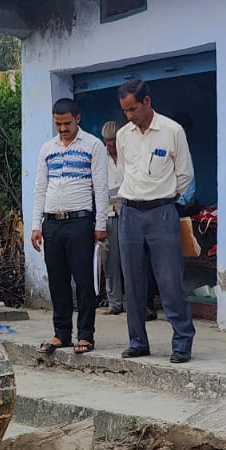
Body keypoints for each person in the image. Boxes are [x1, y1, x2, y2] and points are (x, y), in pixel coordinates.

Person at [114, 77, 194, 363]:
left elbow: (184, 174)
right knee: (133, 282)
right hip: (130, 213)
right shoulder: (124, 135)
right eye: (125, 111)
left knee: (170, 279)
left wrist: (168, 199)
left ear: (147, 101)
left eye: (133, 109)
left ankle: (182, 340)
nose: (130, 116)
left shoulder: (172, 131)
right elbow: (125, 171)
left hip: (162, 212)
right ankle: (137, 341)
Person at [30, 98, 108, 354]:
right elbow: (40, 187)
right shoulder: (47, 149)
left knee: (84, 281)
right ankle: (61, 334)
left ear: (78, 119)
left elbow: (100, 187)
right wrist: (35, 226)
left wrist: (100, 224)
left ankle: (86, 335)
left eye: (66, 123)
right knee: (58, 282)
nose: (62, 129)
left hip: (80, 222)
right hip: (51, 223)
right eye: (58, 124)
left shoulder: (93, 146)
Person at [98, 120, 125, 314]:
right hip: (108, 212)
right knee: (110, 260)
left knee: (132, 259)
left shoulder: (127, 154)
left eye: (114, 141)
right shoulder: (101, 158)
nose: (111, 145)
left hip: (128, 210)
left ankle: (137, 303)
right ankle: (114, 303)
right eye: (108, 141)